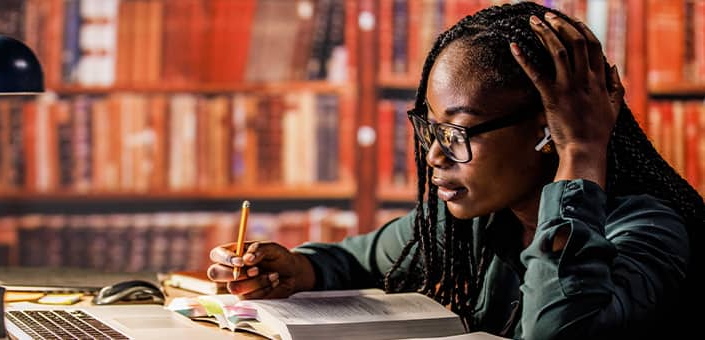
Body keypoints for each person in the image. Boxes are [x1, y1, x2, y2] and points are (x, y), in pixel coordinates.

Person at [206, 2, 704, 339]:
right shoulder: (476, 223)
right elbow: (359, 260)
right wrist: (294, 269)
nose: (434, 157)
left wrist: (581, 150)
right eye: (431, 128)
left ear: (548, 128)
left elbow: (556, 331)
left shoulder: (649, 230)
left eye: (458, 132)